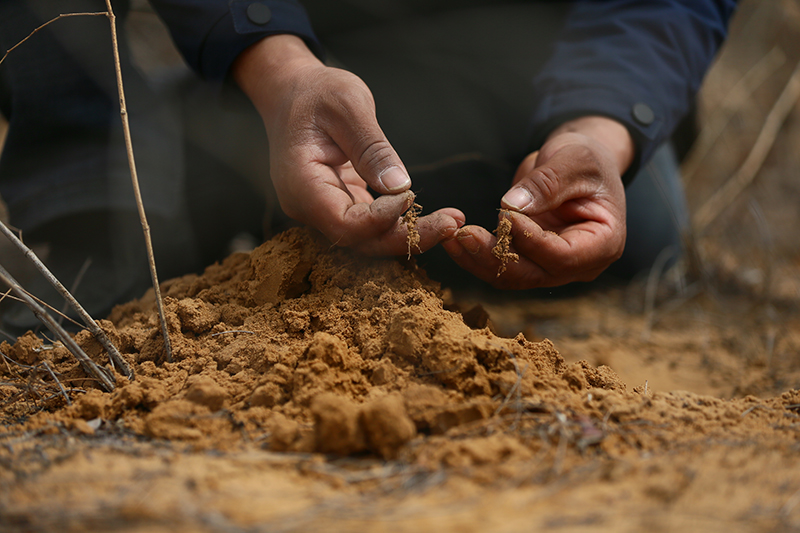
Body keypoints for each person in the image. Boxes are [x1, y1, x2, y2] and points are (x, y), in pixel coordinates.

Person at [0, 0, 737, 334]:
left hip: (527, 55)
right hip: (311, 30)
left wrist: (602, 129)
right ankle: (93, 195)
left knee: (637, 237)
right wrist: (278, 65)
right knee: (156, 184)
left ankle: (207, 147)